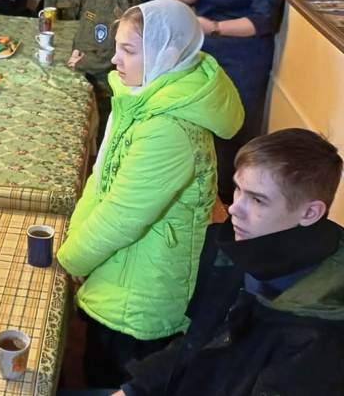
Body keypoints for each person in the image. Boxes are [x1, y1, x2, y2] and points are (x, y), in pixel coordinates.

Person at [56, 0, 244, 388]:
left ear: (167, 55)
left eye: (127, 50)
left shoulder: (167, 129)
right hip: (122, 269)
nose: (114, 60)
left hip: (140, 294)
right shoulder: (144, 96)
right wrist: (75, 240)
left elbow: (121, 216)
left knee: (116, 380)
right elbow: (102, 179)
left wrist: (70, 260)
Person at [117, 129, 344, 396]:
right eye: (238, 189)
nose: (234, 208)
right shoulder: (240, 245)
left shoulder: (321, 331)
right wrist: (133, 390)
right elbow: (196, 342)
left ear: (310, 213)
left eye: (257, 199)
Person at [172, 0, 279, 204]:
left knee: (232, 133)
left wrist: (216, 27)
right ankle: (207, 197)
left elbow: (263, 20)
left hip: (242, 60)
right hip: (209, 53)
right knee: (207, 128)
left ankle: (232, 204)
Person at [67, 0, 140, 141]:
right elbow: (93, 21)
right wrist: (79, 47)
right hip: (95, 65)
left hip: (106, 75)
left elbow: (115, 42)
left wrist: (83, 62)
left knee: (107, 128)